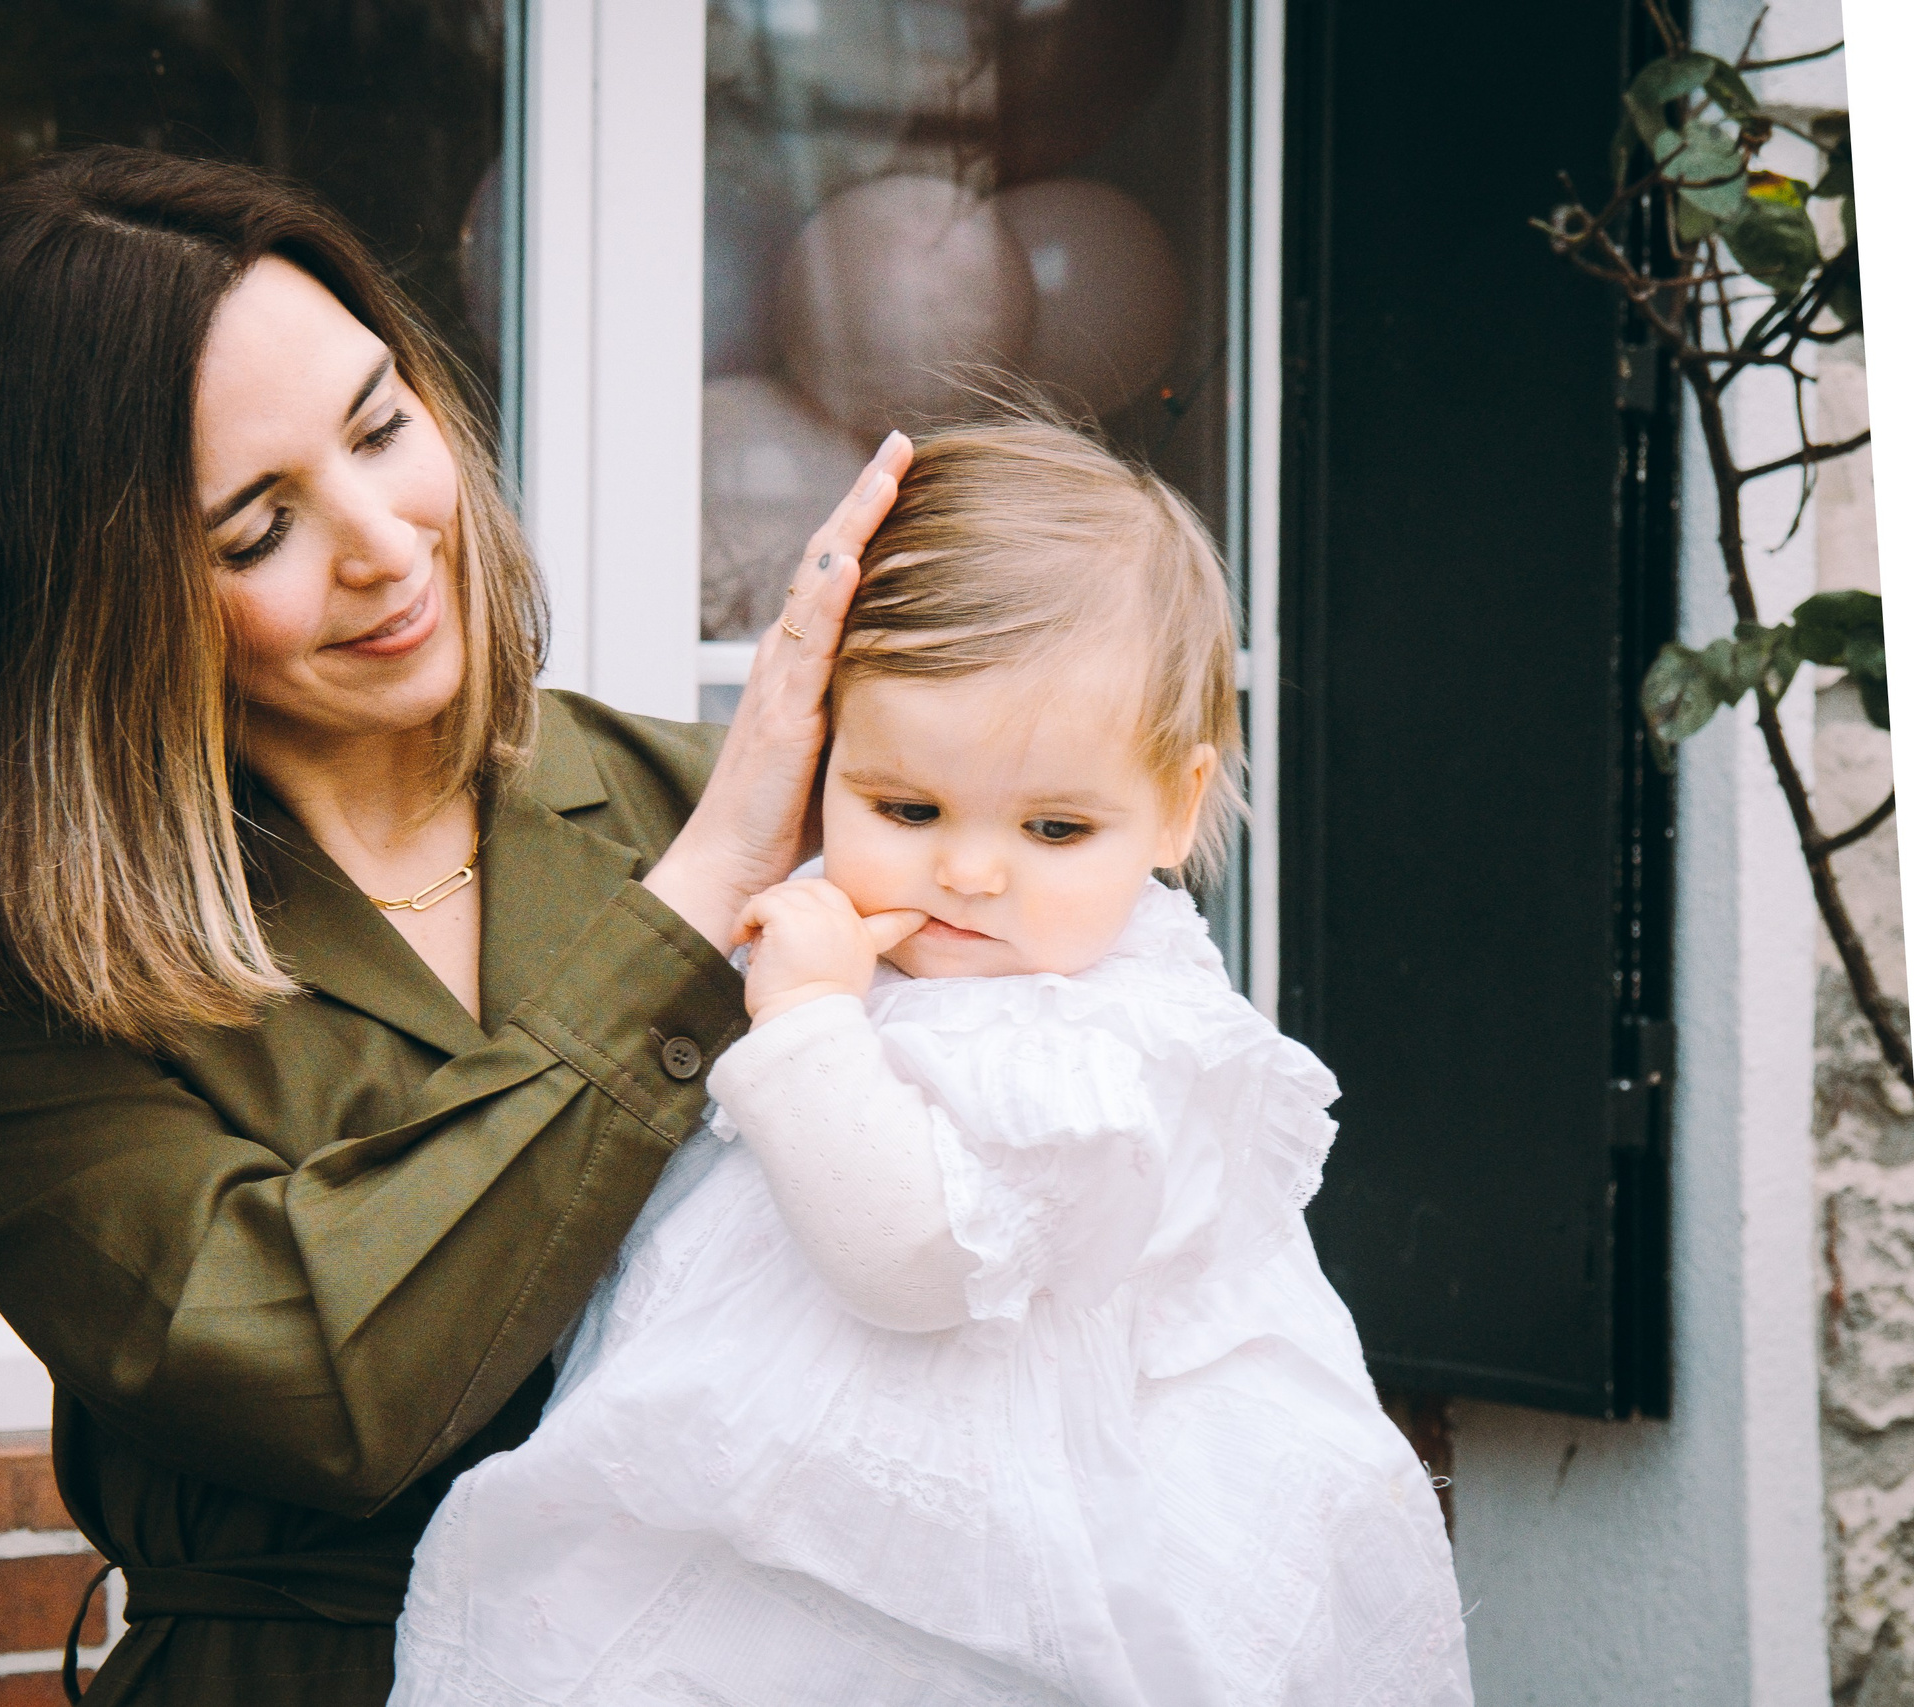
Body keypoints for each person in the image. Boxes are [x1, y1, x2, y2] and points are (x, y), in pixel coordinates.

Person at [0, 145, 911, 1707]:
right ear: (82, 611)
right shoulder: (25, 972)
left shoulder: (698, 798)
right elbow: (326, 1382)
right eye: (256, 530)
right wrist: (691, 915)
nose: (387, 542)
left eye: (383, 427)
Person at [391, 414, 1475, 1706]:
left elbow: (910, 1259)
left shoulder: (1109, 1040)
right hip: (749, 1509)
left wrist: (803, 1029)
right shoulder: (848, 937)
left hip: (973, 1580)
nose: (968, 869)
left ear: (1176, 810)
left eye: (1057, 826)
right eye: (905, 808)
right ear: (821, 756)